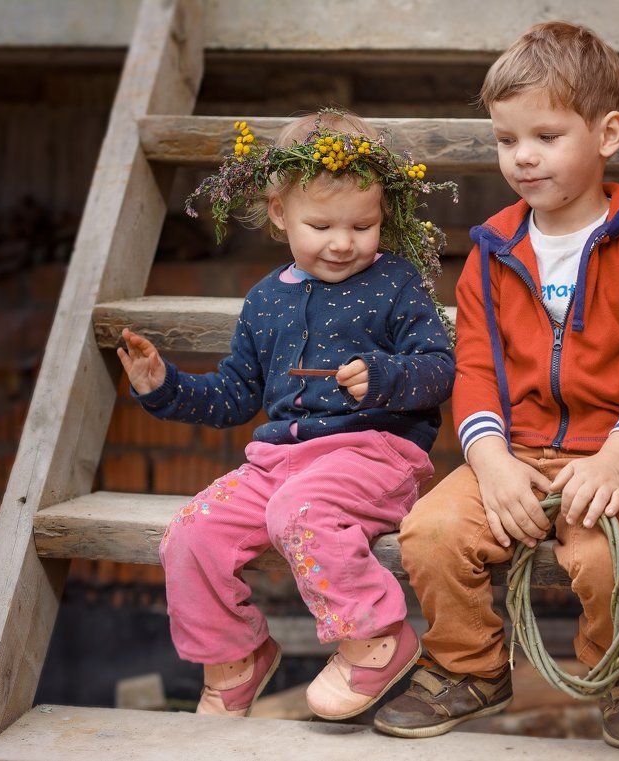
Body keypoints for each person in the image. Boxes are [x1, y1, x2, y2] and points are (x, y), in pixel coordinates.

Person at [374, 22, 619, 750]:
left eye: (546, 136)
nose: (522, 156)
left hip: (614, 457)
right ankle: (469, 665)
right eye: (505, 139)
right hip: (512, 450)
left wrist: (617, 457)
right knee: (431, 529)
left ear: (608, 132)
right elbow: (477, 367)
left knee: (612, 558)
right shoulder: (490, 252)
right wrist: (487, 462)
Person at [118, 109, 456, 721]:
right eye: (321, 224)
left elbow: (439, 368)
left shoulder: (397, 283)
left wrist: (384, 377)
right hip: (280, 463)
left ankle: (378, 639)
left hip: (372, 455)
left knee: (298, 512)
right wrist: (164, 387)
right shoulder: (266, 299)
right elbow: (235, 395)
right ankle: (236, 658)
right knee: (191, 532)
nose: (343, 241)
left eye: (364, 224)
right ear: (279, 214)